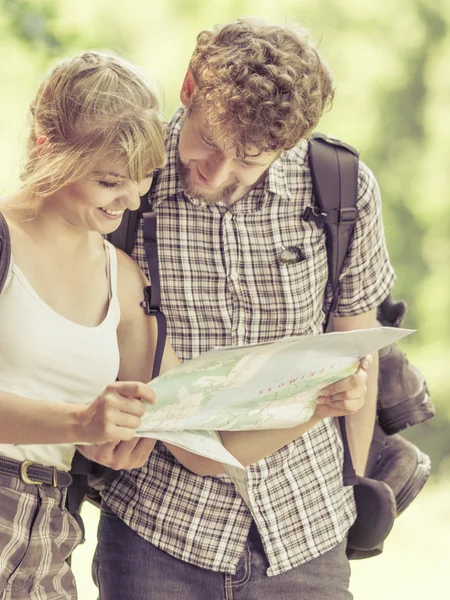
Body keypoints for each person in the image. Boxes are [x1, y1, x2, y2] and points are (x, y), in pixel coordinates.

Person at [83, 19, 393, 600]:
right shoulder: (124, 183)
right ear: (189, 88)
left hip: (308, 525)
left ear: (290, 143)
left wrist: (352, 478)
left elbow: (356, 332)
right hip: (156, 529)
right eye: (210, 146)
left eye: (249, 160)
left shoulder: (342, 188)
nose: (218, 174)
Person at [0, 50, 177, 599]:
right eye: (109, 182)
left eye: (144, 178)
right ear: (47, 149)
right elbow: (82, 419)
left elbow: (177, 409)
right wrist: (81, 421)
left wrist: (128, 435)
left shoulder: (122, 277)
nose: (132, 199)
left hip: (50, 533)